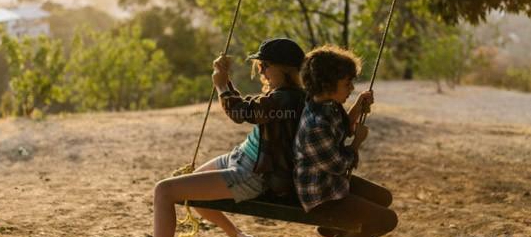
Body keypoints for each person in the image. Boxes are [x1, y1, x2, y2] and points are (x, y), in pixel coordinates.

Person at [154, 38, 307, 237]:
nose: (261, 71)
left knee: (164, 191)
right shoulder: (284, 95)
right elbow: (246, 106)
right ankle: (236, 235)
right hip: (240, 157)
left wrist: (221, 86)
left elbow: (241, 112)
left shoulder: (286, 99)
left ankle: (235, 234)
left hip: (251, 173)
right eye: (260, 65)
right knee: (189, 189)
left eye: (265, 65)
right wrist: (224, 82)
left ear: (285, 68)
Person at [294, 45, 398, 237]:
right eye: (347, 83)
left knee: (383, 197)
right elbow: (339, 165)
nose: (351, 88)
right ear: (327, 85)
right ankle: (338, 230)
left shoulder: (327, 105)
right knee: (387, 219)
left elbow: (340, 129)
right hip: (321, 196)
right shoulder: (315, 125)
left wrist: (357, 107)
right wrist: (357, 142)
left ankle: (332, 229)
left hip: (332, 183)